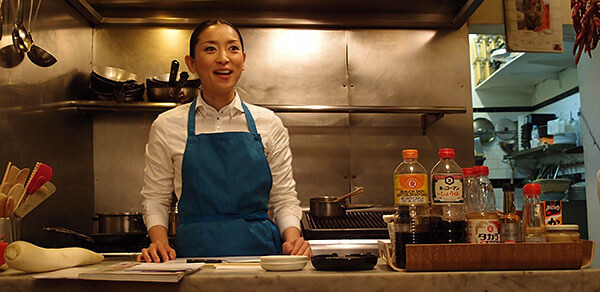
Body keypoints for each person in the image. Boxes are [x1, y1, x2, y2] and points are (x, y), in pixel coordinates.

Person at [137, 19, 311, 263]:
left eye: (232, 48)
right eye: (210, 49)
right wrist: (159, 242)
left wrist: (292, 239)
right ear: (192, 63)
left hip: (261, 261)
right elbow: (156, 197)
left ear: (243, 60)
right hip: (193, 262)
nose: (223, 58)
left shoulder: (269, 123)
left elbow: (283, 198)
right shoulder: (167, 125)